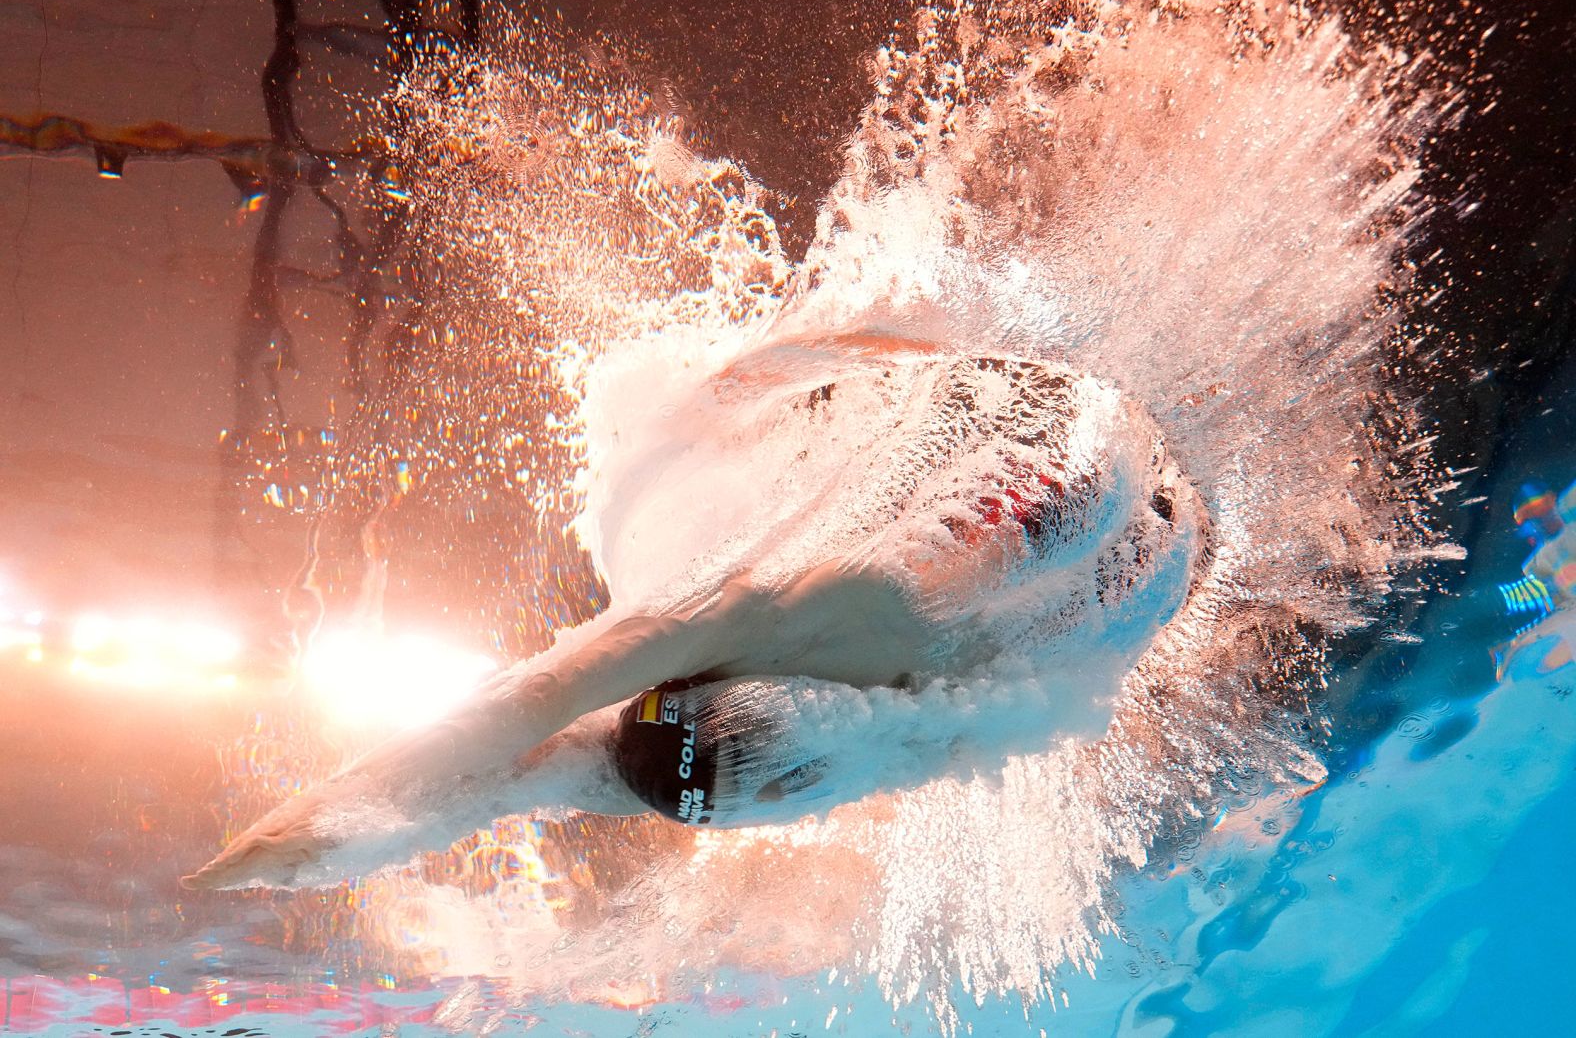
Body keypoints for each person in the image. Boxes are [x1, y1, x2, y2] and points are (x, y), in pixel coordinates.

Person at [183, 335, 1213, 889]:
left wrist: (321, 851)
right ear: (701, 687)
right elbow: (514, 717)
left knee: (1066, 537)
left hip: (1157, 545)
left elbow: (522, 765)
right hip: (1057, 433)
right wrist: (284, 847)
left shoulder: (920, 736)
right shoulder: (767, 612)